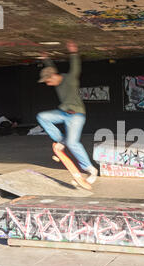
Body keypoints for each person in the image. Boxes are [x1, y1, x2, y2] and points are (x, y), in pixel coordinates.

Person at [36, 41, 97, 185]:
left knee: (73, 142)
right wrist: (45, 58)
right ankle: (60, 140)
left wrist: (74, 53)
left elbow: (75, 68)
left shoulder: (70, 80)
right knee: (42, 116)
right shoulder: (54, 76)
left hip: (76, 115)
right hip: (63, 113)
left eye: (48, 82)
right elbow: (50, 68)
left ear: (53, 77)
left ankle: (91, 169)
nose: (48, 84)